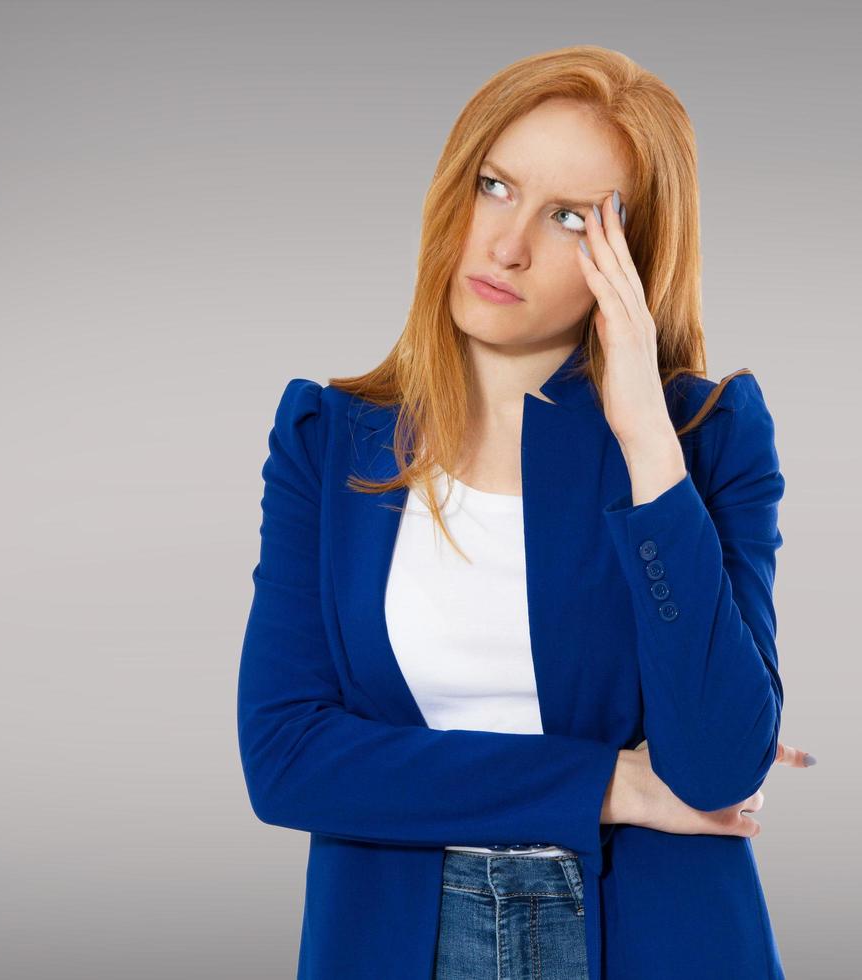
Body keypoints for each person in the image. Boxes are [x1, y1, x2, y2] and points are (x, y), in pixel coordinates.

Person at [237, 45, 814, 980]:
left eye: (570, 219)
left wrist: (649, 451)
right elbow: (288, 758)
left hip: (650, 936)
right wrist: (605, 784)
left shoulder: (709, 437)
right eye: (496, 186)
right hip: (396, 940)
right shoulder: (327, 437)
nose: (507, 246)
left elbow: (715, 769)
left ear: (634, 257)